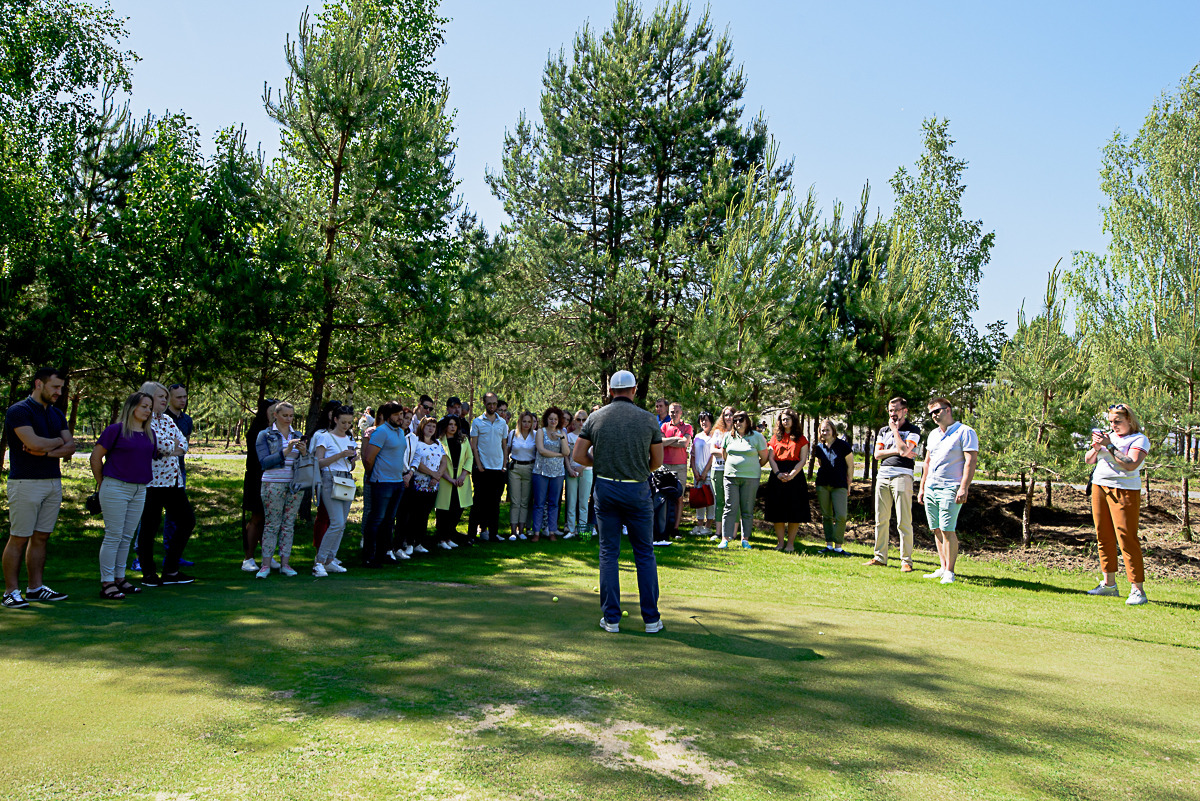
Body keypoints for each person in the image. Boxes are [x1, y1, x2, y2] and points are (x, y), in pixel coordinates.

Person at [572, 370, 664, 634]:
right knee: (644, 553)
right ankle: (651, 620)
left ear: (611, 391)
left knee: (609, 554)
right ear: (633, 390)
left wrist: (599, 464)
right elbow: (656, 462)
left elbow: (579, 455)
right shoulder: (648, 419)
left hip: (607, 489)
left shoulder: (595, 417)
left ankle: (611, 619)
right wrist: (638, 469)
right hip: (637, 491)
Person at [3, 368, 75, 608]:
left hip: (52, 482)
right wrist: (56, 443)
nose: (59, 392)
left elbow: (70, 447)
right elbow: (32, 442)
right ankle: (10, 592)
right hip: (25, 482)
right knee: (19, 537)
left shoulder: (57, 414)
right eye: (55, 387)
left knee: (42, 537)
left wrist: (46, 448)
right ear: (38, 384)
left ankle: (35, 588)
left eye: (61, 388)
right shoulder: (18, 411)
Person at [1083, 403, 1150, 605]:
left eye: (1118, 421)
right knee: (1103, 535)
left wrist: (1109, 445)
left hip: (1125, 489)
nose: (1114, 426)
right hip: (1100, 486)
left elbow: (1131, 464)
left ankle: (1137, 589)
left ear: (1130, 420)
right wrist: (1096, 448)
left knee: (1126, 537)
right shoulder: (1108, 437)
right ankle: (1109, 584)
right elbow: (1088, 460)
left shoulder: (1139, 439)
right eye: (1111, 421)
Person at [90, 392, 155, 599]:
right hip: (115, 487)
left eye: (150, 407)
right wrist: (104, 484)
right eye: (144, 406)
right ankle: (107, 582)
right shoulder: (115, 430)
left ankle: (120, 577)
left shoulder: (148, 433)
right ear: (132, 407)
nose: (148, 410)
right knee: (114, 535)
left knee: (126, 536)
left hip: (139, 489)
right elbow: (95, 458)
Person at [137, 381, 195, 587]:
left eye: (164, 396)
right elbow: (157, 444)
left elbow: (183, 444)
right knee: (149, 528)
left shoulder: (168, 420)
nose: (164, 400)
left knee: (187, 521)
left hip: (173, 481)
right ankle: (148, 573)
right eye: (160, 396)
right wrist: (172, 447)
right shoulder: (144, 419)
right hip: (152, 483)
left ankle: (170, 570)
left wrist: (170, 448)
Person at [918, 397, 978, 585]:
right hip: (931, 487)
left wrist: (964, 487)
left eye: (937, 411)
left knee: (947, 529)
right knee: (936, 528)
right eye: (931, 413)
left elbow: (970, 461)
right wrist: (922, 487)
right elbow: (927, 462)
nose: (934, 416)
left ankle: (950, 572)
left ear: (948, 410)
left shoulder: (965, 432)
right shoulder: (933, 434)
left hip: (950, 487)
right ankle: (943, 567)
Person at [865, 397, 922, 572]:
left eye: (896, 410)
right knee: (880, 519)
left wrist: (895, 432)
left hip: (902, 475)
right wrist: (899, 449)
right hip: (883, 475)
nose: (892, 414)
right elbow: (877, 454)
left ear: (905, 411)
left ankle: (906, 561)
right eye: (890, 410)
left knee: (903, 520)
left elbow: (905, 450)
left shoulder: (913, 430)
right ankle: (880, 557)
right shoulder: (883, 430)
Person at [254, 401, 308, 578]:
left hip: (294, 484)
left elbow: (306, 461)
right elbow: (264, 462)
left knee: (288, 524)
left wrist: (304, 452)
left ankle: (285, 564)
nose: (288, 419)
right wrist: (286, 451)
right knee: (272, 524)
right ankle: (265, 565)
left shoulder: (297, 434)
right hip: (273, 482)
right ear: (275, 415)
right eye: (285, 415)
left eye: (291, 416)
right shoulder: (265, 435)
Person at [361, 401, 413, 567]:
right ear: (387, 416)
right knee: (376, 519)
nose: (400, 418)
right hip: (382, 482)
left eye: (401, 415)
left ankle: (382, 554)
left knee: (389, 521)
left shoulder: (399, 432)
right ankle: (369, 555)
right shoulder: (381, 432)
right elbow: (368, 458)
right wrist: (372, 474)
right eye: (397, 415)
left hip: (397, 482)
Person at [310, 404, 358, 576]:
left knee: (342, 523)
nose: (346, 426)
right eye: (343, 422)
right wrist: (340, 455)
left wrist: (352, 459)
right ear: (335, 419)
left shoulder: (350, 439)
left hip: (345, 478)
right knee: (336, 521)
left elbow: (350, 465)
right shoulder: (325, 437)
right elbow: (319, 462)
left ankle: (330, 559)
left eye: (349, 423)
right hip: (329, 478)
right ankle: (320, 561)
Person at [718, 411, 769, 550]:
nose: (737, 423)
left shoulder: (757, 436)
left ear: (747, 421)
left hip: (750, 478)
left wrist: (752, 467)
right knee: (730, 507)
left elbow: (764, 457)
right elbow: (724, 454)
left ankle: (745, 539)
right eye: (735, 420)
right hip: (731, 477)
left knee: (747, 509)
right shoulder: (729, 436)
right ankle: (725, 538)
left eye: (741, 420)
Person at [765, 408, 812, 552]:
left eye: (788, 419)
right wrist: (778, 473)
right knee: (777, 510)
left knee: (794, 510)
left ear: (794, 421)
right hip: (777, 474)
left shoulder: (801, 439)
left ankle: (790, 544)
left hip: (795, 476)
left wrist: (792, 474)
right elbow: (771, 458)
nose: (785, 421)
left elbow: (803, 460)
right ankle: (780, 543)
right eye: (783, 419)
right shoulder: (775, 438)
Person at [241, 399, 278, 572]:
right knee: (257, 518)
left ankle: (267, 556)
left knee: (268, 519)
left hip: (273, 478)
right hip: (257, 478)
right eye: (273, 413)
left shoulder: (277, 431)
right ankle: (248, 558)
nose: (276, 416)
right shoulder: (257, 432)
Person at [162, 383, 194, 568]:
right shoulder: (161, 418)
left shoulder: (186, 420)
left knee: (176, 517)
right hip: (158, 473)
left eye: (184, 396)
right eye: (179, 397)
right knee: (150, 515)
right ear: (169, 399)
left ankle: (173, 554)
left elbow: (183, 447)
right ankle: (139, 557)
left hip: (178, 470)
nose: (182, 400)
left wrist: (177, 449)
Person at [470, 392, 508, 542]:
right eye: (489, 403)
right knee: (478, 504)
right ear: (484, 403)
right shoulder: (477, 422)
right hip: (482, 470)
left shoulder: (503, 423)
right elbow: (474, 447)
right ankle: (471, 536)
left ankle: (493, 535)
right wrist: (479, 465)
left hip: (498, 469)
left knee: (494, 505)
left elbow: (504, 446)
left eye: (495, 403)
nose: (492, 406)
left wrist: (504, 465)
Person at [813, 418, 854, 556]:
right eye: (822, 430)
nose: (825, 432)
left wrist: (849, 484)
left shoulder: (843, 446)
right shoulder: (819, 447)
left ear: (833, 430)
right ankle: (829, 545)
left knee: (841, 516)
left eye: (827, 430)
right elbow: (821, 463)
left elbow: (851, 466)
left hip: (840, 485)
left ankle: (838, 546)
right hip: (823, 485)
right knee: (827, 516)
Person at [530, 407, 569, 542]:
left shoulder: (562, 432)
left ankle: (552, 531)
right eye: (551, 419)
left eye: (556, 419)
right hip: (541, 471)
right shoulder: (541, 432)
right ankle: (536, 532)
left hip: (557, 472)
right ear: (546, 419)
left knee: (554, 503)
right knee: (539, 503)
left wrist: (562, 438)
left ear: (559, 420)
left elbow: (567, 452)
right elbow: (541, 450)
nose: (553, 421)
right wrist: (559, 455)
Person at [435, 415, 473, 547]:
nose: (452, 427)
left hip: (461, 479)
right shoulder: (439, 441)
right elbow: (438, 461)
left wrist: (463, 475)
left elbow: (469, 458)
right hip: (446, 479)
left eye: (455, 425)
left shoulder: (463, 440)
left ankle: (449, 536)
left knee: (457, 509)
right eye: (450, 424)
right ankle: (441, 539)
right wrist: (449, 478)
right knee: (443, 510)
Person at [408, 416, 445, 550]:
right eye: (428, 426)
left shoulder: (438, 444)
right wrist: (432, 473)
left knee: (425, 514)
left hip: (433, 485)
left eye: (433, 427)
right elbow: (416, 462)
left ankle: (419, 542)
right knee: (415, 514)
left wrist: (437, 476)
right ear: (422, 427)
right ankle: (409, 541)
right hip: (419, 483)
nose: (431, 429)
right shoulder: (416, 442)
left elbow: (444, 461)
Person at [660, 402, 693, 540]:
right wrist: (675, 439)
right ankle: (664, 526)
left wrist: (668, 441)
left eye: (676, 411)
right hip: (665, 464)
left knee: (679, 497)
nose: (674, 414)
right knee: (664, 497)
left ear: (681, 413)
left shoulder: (687, 427)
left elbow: (685, 443)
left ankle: (676, 528)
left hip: (679, 465)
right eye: (672, 411)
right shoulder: (664, 426)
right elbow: (660, 441)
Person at [507, 412, 537, 540]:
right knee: (515, 501)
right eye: (524, 421)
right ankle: (513, 531)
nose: (526, 424)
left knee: (525, 501)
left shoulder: (535, 435)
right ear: (519, 422)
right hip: (515, 468)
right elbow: (507, 450)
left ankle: (522, 530)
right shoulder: (513, 434)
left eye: (529, 422)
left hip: (530, 468)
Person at [706, 406, 734, 541]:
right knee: (720, 501)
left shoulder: (738, 432)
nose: (728, 418)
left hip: (732, 471)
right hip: (717, 470)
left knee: (733, 502)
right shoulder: (717, 432)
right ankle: (718, 532)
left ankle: (732, 534)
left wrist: (722, 452)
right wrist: (728, 453)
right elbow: (712, 451)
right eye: (726, 415)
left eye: (731, 415)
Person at [564, 409, 593, 539]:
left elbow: (594, 455)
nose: (581, 422)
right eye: (578, 420)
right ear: (574, 421)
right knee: (571, 501)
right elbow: (566, 455)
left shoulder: (591, 436)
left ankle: (582, 530)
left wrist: (582, 467)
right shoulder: (569, 436)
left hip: (586, 471)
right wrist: (570, 469)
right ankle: (570, 529)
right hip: (571, 471)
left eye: (584, 419)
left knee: (583, 502)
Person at [690, 411, 716, 538]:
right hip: (698, 474)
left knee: (710, 500)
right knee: (699, 499)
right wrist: (695, 472)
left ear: (711, 421)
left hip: (710, 473)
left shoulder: (714, 436)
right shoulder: (697, 436)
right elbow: (693, 455)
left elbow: (713, 456)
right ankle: (699, 525)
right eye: (701, 420)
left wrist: (705, 471)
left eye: (706, 420)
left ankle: (708, 526)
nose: (704, 422)